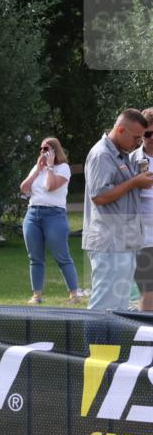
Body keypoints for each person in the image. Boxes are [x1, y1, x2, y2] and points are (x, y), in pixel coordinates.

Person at [82, 108, 153, 311]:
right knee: (103, 304)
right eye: (137, 137)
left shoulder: (120, 154)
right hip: (108, 241)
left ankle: (111, 343)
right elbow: (99, 196)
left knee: (118, 305)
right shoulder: (101, 155)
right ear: (121, 130)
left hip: (123, 240)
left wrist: (138, 182)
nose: (139, 142)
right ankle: (92, 343)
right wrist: (134, 182)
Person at [18, 137, 83, 304]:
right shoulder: (37, 168)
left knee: (62, 256)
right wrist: (37, 171)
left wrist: (50, 166)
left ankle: (74, 294)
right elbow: (24, 188)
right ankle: (37, 295)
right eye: (41, 149)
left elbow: (50, 186)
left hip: (54, 215)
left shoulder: (63, 168)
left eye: (46, 149)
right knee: (35, 257)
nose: (43, 153)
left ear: (55, 151)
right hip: (33, 214)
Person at [133, 107, 153, 311]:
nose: (152, 138)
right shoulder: (133, 160)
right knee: (148, 291)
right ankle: (147, 338)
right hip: (144, 239)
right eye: (148, 134)